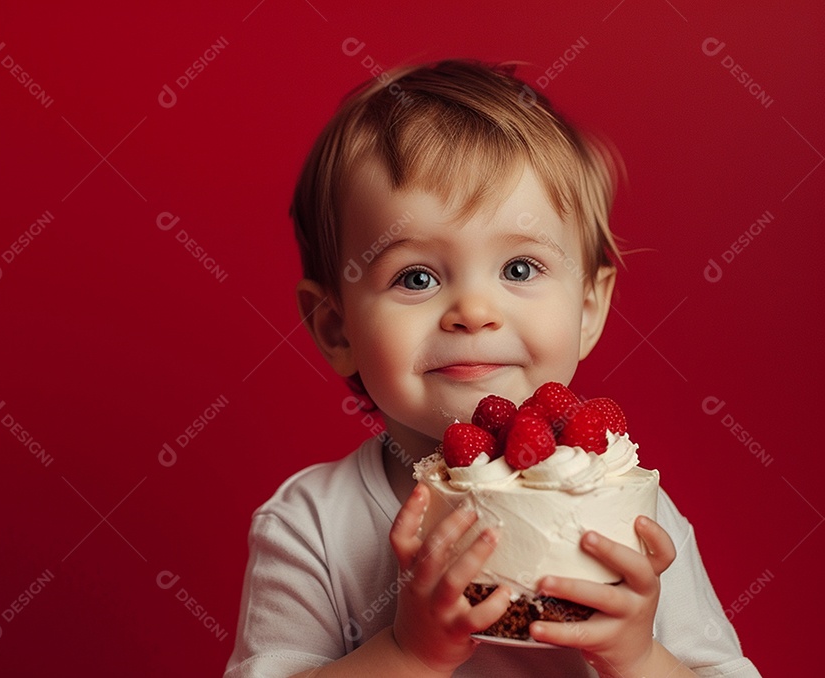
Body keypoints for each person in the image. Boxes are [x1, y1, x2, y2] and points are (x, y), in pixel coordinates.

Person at [225, 60, 760, 677]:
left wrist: (637, 654)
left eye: (519, 269)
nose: (475, 312)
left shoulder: (635, 511)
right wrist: (407, 653)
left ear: (587, 308)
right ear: (336, 328)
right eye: (416, 277)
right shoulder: (311, 525)